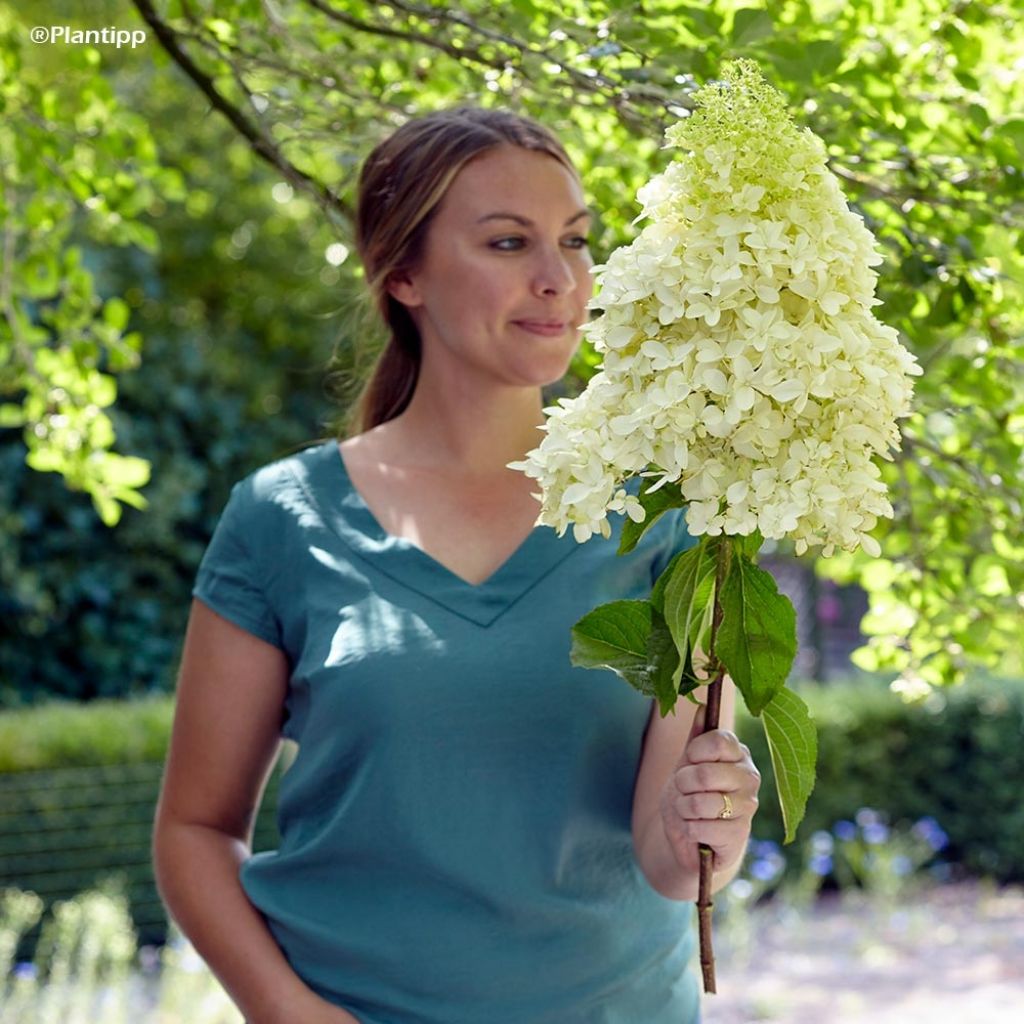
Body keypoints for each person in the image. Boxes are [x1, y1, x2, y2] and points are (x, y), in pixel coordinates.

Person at [152, 105, 761, 1024]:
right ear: (403, 274)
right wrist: (288, 1012)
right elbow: (195, 830)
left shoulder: (666, 518)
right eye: (510, 243)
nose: (560, 279)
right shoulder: (283, 519)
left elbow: (668, 866)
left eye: (577, 240)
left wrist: (712, 825)